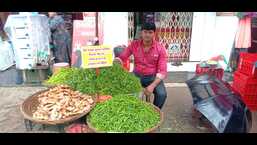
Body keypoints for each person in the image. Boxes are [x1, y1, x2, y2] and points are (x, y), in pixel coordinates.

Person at [114, 22, 168, 109]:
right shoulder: (134, 45)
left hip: (152, 78)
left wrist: (152, 86)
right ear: (141, 32)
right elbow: (123, 56)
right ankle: (135, 111)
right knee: (127, 92)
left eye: (150, 32)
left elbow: (162, 71)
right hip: (136, 76)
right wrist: (116, 61)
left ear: (154, 33)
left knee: (162, 94)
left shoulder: (160, 48)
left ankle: (154, 111)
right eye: (145, 32)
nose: (147, 35)